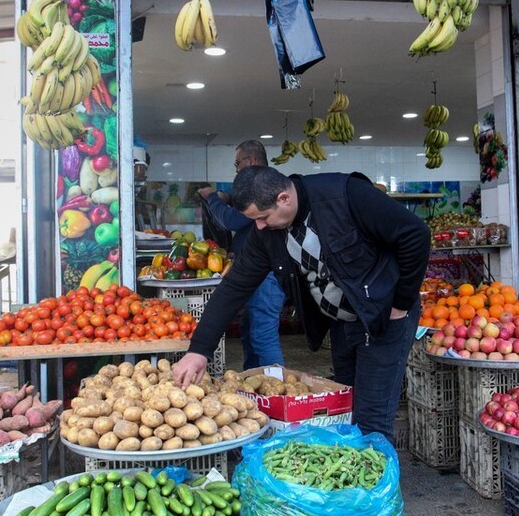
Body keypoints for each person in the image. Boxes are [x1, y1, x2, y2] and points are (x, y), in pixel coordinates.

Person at [173, 166, 430, 442]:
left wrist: (401, 304)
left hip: (384, 317)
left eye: (262, 217)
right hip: (344, 323)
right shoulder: (268, 233)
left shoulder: (345, 195)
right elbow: (235, 287)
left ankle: (380, 483)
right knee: (347, 411)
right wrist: (199, 350)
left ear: (284, 198)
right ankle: (351, 481)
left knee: (372, 420)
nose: (258, 226)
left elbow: (415, 234)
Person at [197, 140, 286, 370]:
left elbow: (232, 220)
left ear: (251, 161)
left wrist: (212, 198)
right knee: (250, 330)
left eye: (237, 163)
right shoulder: (264, 184)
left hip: (268, 273)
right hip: (254, 270)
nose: (236, 169)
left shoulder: (263, 185)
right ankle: (254, 384)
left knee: (263, 333)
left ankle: (275, 391)